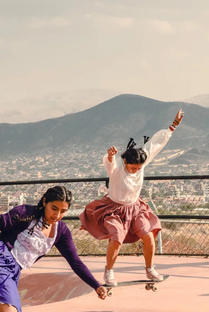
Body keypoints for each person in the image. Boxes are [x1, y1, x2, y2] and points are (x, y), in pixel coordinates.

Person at [79, 110, 184, 287]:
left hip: (135, 208)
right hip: (113, 209)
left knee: (148, 236)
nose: (136, 170)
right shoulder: (118, 166)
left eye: (138, 168)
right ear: (126, 162)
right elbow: (109, 163)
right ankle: (109, 272)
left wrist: (173, 125)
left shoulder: (141, 160)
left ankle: (150, 269)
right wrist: (111, 156)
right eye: (133, 168)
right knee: (116, 237)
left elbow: (155, 144)